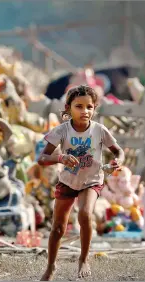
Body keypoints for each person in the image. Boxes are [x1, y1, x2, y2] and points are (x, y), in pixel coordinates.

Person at [37, 85, 125, 280]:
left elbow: (118, 151)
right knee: (58, 227)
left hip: (91, 181)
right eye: (79, 106)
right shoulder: (61, 131)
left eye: (89, 107)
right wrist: (61, 158)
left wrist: (117, 161)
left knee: (85, 214)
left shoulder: (99, 130)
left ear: (94, 108)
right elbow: (42, 158)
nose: (85, 111)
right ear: (68, 108)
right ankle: (51, 266)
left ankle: (83, 259)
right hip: (68, 181)